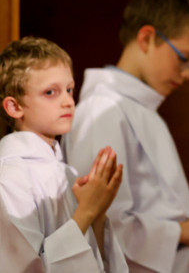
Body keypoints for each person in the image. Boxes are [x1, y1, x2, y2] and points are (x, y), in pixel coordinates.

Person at [64, 0, 189, 272]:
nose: (188, 74)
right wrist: (182, 232)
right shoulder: (102, 111)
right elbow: (100, 223)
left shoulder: (141, 108)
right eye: (184, 58)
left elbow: (157, 207)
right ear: (147, 38)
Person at [0, 37, 127, 272]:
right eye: (51, 92)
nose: (68, 102)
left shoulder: (66, 172)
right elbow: (25, 268)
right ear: (15, 107)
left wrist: (98, 212)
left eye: (69, 90)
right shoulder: (11, 177)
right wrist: (86, 210)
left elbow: (93, 262)